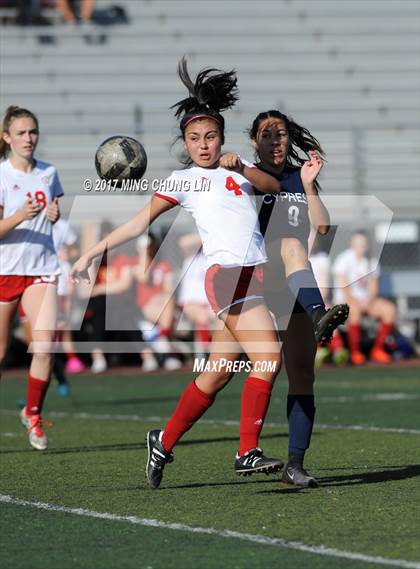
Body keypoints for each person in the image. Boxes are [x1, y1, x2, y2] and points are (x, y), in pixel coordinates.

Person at [71, 58, 284, 489]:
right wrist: (91, 252)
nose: (203, 145)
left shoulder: (238, 167)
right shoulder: (183, 180)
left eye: (210, 136)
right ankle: (247, 451)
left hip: (255, 276)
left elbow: (274, 188)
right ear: (184, 144)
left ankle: (162, 440)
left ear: (222, 138)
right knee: (269, 357)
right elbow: (136, 224)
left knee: (218, 373)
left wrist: (241, 167)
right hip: (226, 277)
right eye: (193, 139)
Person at [249, 110, 342, 486]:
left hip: (294, 284)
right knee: (218, 372)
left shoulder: (297, 177)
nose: (276, 139)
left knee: (302, 373)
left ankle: (294, 464)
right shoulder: (245, 176)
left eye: (281, 133)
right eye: (267, 134)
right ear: (254, 140)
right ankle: (319, 311)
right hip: (256, 279)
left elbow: (322, 227)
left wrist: (309, 185)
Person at [0, 105, 63, 450]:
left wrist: (53, 215)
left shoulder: (49, 172)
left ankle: (33, 415)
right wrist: (20, 215)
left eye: (33, 132)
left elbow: (52, 214)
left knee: (44, 346)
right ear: (7, 137)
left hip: (41, 269)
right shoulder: (1, 175)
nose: (28, 138)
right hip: (5, 270)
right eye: (21, 133)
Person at [332, 230, 396, 365]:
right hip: (346, 301)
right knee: (353, 310)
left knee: (389, 310)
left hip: (366, 301)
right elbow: (344, 289)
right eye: (358, 243)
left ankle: (377, 350)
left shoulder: (372, 262)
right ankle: (356, 352)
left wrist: (368, 301)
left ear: (367, 245)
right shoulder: (343, 260)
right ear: (352, 244)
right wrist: (356, 302)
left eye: (363, 243)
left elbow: (373, 287)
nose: (361, 246)